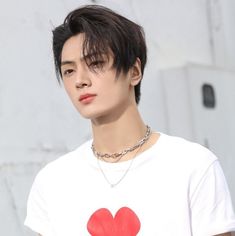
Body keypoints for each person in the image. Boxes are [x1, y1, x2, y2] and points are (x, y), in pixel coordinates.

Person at [25, 4, 235, 236]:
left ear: (134, 71)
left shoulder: (193, 166)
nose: (80, 80)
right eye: (69, 71)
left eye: (95, 63)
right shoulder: (54, 182)